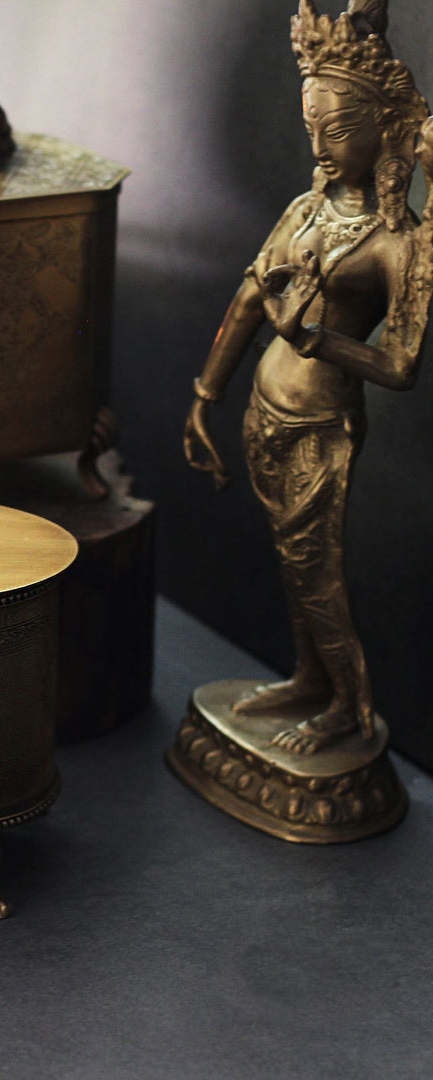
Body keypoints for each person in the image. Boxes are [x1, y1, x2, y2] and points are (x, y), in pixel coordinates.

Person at [183, 0, 433, 753]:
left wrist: (319, 338)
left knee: (320, 572)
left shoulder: (402, 245)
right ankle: (307, 677)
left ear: (384, 128)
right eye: (312, 128)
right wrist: (207, 392)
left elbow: (400, 365)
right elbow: (252, 293)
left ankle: (348, 708)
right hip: (265, 412)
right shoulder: (304, 209)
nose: (319, 144)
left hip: (321, 425)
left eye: (337, 130)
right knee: (294, 568)